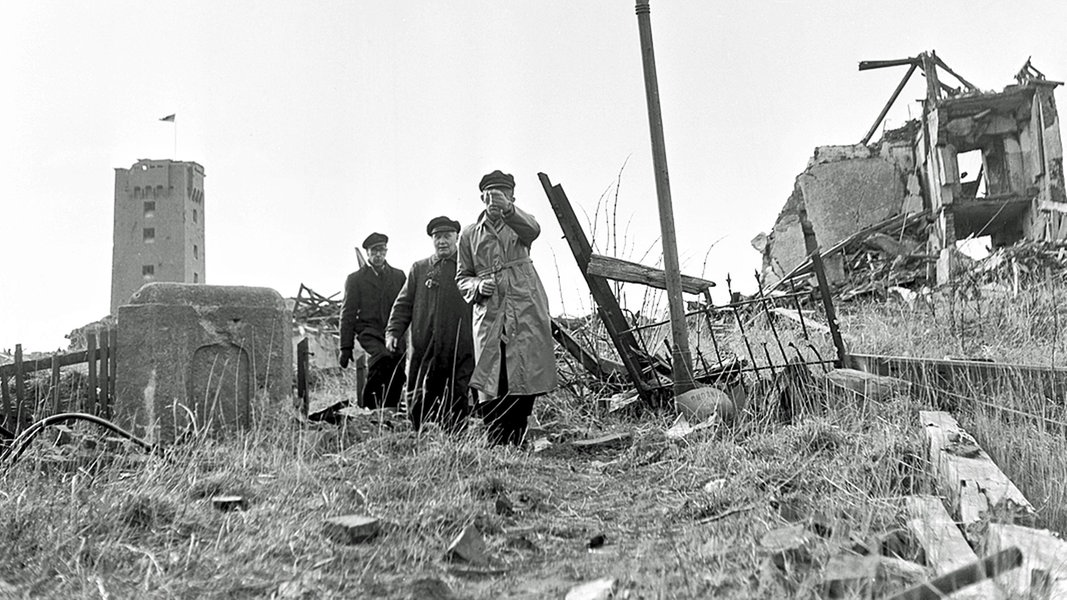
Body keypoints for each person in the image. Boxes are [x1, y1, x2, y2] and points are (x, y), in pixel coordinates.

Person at [456, 170, 557, 445]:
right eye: (491, 195)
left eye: (503, 194)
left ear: (513, 196)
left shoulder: (520, 224)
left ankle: (516, 434)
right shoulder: (468, 235)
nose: (496, 201)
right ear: (482, 198)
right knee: (491, 374)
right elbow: (462, 277)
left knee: (525, 370)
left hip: (524, 305)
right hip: (489, 312)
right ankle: (495, 438)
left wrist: (510, 210)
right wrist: (477, 286)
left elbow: (534, 230)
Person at [385, 216, 475, 433]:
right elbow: (403, 304)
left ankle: (455, 439)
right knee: (420, 390)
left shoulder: (469, 268)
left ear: (456, 238)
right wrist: (393, 331)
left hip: (459, 345)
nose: (442, 241)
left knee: (457, 391)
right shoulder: (420, 268)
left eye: (447, 236)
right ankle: (418, 437)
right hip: (424, 345)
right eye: (437, 237)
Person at [339, 232, 407, 410]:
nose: (378, 255)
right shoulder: (355, 279)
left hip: (394, 331)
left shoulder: (398, 276)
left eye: (382, 251)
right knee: (381, 358)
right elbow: (347, 314)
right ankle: (369, 409)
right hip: (369, 332)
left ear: (386, 251)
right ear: (367, 253)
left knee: (397, 370)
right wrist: (345, 348)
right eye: (374, 251)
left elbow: (407, 305)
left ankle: (391, 410)